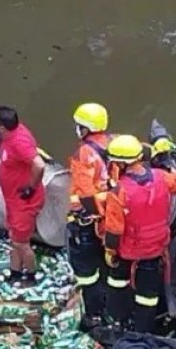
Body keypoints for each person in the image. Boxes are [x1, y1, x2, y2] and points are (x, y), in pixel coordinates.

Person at [102, 135, 176, 334]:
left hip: (129, 250)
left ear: (120, 163)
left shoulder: (119, 192)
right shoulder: (161, 177)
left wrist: (110, 250)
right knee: (148, 295)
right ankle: (145, 330)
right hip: (157, 247)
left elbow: (114, 229)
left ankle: (118, 321)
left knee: (117, 282)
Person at [68, 102, 112, 330]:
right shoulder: (114, 143)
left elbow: (85, 193)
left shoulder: (83, 154)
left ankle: (94, 315)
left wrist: (92, 215)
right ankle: (111, 307)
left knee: (87, 272)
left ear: (85, 128)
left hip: (87, 221)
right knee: (108, 264)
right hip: (111, 217)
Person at [0, 106, 46, 287]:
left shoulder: (18, 142)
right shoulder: (14, 132)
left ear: (2, 127)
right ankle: (15, 272)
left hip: (23, 202)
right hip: (13, 199)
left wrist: (30, 188)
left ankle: (31, 276)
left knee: (21, 242)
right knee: (15, 239)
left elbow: (38, 165)